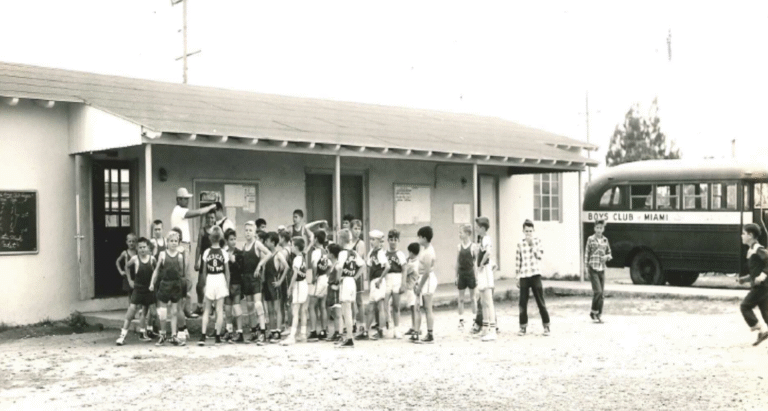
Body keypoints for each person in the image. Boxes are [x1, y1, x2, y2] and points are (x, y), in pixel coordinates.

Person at [170, 187, 217, 316]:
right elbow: (198, 212)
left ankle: (185, 309)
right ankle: (184, 309)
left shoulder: (179, 211)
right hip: (182, 246)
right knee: (186, 280)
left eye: (187, 199)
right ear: (179, 199)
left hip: (184, 246)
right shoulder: (179, 210)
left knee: (186, 280)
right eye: (185, 199)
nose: (187, 201)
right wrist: (210, 206)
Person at [116, 237, 156, 345]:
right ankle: (122, 336)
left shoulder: (152, 259)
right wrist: (129, 280)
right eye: (140, 247)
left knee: (152, 313)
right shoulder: (135, 259)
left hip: (148, 290)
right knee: (131, 311)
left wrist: (153, 283)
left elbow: (157, 271)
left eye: (144, 247)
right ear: (137, 248)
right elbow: (126, 267)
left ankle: (144, 333)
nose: (142, 249)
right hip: (138, 289)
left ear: (148, 247)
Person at [149, 230, 186, 346]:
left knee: (174, 311)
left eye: (176, 241)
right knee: (163, 312)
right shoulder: (163, 254)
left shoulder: (180, 256)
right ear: (167, 242)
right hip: (165, 284)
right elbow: (156, 270)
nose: (174, 243)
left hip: (175, 285)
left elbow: (181, 271)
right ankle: (163, 334)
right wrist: (152, 283)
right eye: (171, 241)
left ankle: (174, 335)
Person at [515, 219, 550, 337]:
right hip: (524, 275)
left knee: (540, 300)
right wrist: (517, 276)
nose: (528, 233)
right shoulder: (520, 243)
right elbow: (518, 261)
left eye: (530, 231)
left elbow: (539, 256)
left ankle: (546, 326)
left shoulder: (538, 241)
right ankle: (522, 327)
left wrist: (532, 246)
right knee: (522, 302)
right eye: (526, 231)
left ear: (533, 231)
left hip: (535, 274)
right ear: (523, 231)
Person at [197, 226, 230, 346]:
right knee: (219, 310)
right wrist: (227, 285)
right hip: (220, 278)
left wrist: (204, 285)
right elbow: (227, 272)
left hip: (210, 278)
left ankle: (203, 336)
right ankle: (217, 337)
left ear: (210, 237)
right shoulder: (224, 252)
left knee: (206, 309)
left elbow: (204, 272)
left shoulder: (206, 252)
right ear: (220, 237)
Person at [738, 223, 768, 346]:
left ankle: (761, 329)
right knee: (766, 314)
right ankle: (762, 332)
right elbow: (756, 271)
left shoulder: (758, 249)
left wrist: (763, 275)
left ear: (750, 235)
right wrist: (745, 279)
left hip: (761, 287)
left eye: (743, 233)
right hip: (763, 287)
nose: (741, 236)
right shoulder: (752, 250)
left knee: (745, 306)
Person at [241, 221, 271, 344]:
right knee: (249, 307)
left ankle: (262, 333)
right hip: (246, 278)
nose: (248, 232)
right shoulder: (244, 246)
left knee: (258, 304)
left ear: (254, 232)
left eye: (250, 230)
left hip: (255, 278)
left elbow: (269, 254)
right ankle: (253, 332)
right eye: (246, 230)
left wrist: (259, 265)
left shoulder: (257, 244)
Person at [357, 230, 389, 341]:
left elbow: (387, 267)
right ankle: (366, 331)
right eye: (371, 239)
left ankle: (381, 330)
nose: (371, 241)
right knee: (370, 307)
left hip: (378, 280)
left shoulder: (380, 252)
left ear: (379, 241)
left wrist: (380, 279)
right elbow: (368, 266)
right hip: (373, 282)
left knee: (380, 306)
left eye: (374, 239)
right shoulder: (371, 252)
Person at [337, 229, 365, 348]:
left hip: (345, 281)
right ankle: (348, 336)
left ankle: (349, 338)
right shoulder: (353, 253)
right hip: (352, 281)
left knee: (346, 310)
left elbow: (339, 268)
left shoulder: (342, 253)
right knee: (348, 309)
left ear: (342, 239)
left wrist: (338, 279)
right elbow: (362, 265)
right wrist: (355, 277)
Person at [282, 238, 310, 345]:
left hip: (298, 285)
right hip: (304, 284)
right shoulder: (303, 257)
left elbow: (294, 275)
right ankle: (303, 334)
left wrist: (290, 287)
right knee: (303, 311)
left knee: (295, 311)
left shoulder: (297, 259)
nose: (291, 247)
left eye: (292, 245)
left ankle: (292, 336)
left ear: (296, 247)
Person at [262, 231, 289, 343]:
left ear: (273, 242)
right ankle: (272, 330)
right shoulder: (266, 254)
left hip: (274, 283)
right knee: (270, 309)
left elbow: (287, 267)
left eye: (267, 241)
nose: (265, 243)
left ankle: (278, 330)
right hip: (266, 284)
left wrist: (280, 281)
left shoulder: (278, 254)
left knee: (277, 308)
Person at [413, 226, 438, 344]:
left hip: (427, 280)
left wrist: (419, 286)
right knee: (420, 307)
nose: (418, 239)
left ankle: (430, 334)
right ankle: (417, 332)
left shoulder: (428, 252)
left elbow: (427, 272)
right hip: (423, 279)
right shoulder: (425, 249)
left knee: (428, 307)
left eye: (419, 237)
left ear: (424, 237)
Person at [475, 217, 497, 342]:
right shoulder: (482, 239)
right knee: (483, 301)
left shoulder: (486, 238)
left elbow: (488, 253)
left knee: (488, 301)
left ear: (483, 228)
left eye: (477, 227)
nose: (476, 229)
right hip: (482, 273)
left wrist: (481, 264)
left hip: (486, 272)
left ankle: (492, 331)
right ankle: (485, 328)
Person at [585, 219, 612, 323]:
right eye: (597, 228)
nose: (599, 230)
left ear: (603, 229)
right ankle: (594, 312)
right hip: (593, 268)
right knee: (598, 291)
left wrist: (606, 257)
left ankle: (598, 314)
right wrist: (586, 268)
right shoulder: (590, 239)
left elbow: (609, 253)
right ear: (594, 228)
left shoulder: (605, 240)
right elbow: (587, 253)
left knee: (601, 294)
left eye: (601, 228)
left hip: (602, 269)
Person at [307, 230, 331, 342]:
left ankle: (313, 331)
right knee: (322, 306)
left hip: (318, 279)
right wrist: (327, 275)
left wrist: (314, 277)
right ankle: (323, 331)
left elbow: (314, 266)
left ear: (316, 239)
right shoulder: (325, 251)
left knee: (311, 305)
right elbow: (330, 265)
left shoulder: (316, 252)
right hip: (325, 278)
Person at [194, 210, 218, 317]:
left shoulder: (217, 230)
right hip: (204, 261)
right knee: (200, 285)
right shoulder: (202, 231)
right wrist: (196, 261)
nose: (210, 220)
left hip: (215, 260)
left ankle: (212, 306)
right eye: (208, 217)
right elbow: (198, 247)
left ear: (215, 219)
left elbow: (222, 245)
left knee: (213, 285)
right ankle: (200, 306)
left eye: (212, 217)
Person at [223, 229, 246, 343]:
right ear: (226, 241)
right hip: (227, 284)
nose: (233, 241)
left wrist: (234, 261)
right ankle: (229, 331)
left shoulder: (239, 253)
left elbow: (242, 269)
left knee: (237, 308)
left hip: (236, 284)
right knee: (227, 310)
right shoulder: (224, 253)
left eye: (234, 239)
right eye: (231, 239)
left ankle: (240, 332)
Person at [384, 229, 407, 339]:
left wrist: (403, 283)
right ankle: (387, 323)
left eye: (395, 240)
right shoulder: (384, 253)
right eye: (391, 239)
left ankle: (396, 329)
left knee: (396, 305)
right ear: (388, 240)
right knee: (384, 303)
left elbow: (405, 269)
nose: (393, 242)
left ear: (398, 241)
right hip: (387, 278)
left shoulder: (400, 254)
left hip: (397, 278)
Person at [455, 224, 477, 331]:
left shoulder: (473, 246)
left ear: (467, 233)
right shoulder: (459, 247)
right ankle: (461, 320)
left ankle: (475, 319)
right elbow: (457, 262)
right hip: (462, 274)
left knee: (473, 298)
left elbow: (475, 263)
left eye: (461, 232)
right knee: (461, 298)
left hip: (470, 273)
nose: (459, 234)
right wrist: (456, 276)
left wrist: (476, 276)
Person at [401, 242, 421, 339]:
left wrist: (405, 262)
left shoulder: (412, 264)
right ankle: (414, 326)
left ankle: (415, 327)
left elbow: (404, 270)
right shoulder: (415, 262)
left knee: (414, 308)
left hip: (411, 288)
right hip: (412, 287)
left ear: (412, 253)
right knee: (413, 308)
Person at [351, 219, 367, 333]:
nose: (357, 231)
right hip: (348, 273)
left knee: (359, 300)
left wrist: (356, 276)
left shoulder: (360, 243)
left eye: (359, 229)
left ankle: (362, 324)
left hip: (357, 273)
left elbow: (360, 260)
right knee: (350, 300)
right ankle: (352, 323)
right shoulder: (347, 242)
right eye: (355, 228)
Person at [326, 243, 344, 342]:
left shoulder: (337, 265)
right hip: (331, 290)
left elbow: (341, 274)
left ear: (332, 255)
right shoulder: (333, 264)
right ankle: (336, 332)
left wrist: (338, 285)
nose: (327, 254)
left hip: (335, 291)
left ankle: (339, 333)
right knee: (334, 312)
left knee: (337, 313)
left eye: (328, 252)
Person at [115, 233, 138, 301]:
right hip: (128, 275)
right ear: (126, 242)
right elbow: (117, 261)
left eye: (133, 241)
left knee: (137, 293)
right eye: (129, 241)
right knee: (130, 294)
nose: (131, 243)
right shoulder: (125, 253)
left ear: (136, 242)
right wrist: (120, 271)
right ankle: (130, 306)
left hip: (136, 275)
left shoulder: (137, 252)